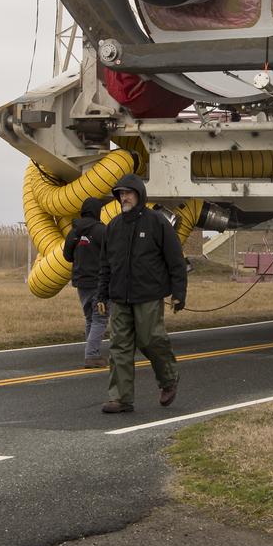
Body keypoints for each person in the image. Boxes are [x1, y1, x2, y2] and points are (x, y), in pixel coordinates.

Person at [96, 172, 187, 414]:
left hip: (149, 294)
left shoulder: (157, 223)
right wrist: (101, 295)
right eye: (120, 194)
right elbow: (105, 265)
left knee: (150, 340)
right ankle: (121, 398)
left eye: (128, 193)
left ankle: (168, 379)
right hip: (119, 297)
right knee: (119, 346)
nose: (124, 197)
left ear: (139, 194)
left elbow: (176, 260)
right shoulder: (113, 227)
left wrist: (179, 293)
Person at [63, 196, 108, 368]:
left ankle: (92, 352)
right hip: (99, 283)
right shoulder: (102, 231)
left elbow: (67, 256)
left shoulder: (73, 232)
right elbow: (111, 255)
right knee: (100, 319)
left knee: (90, 318)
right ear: (97, 211)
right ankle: (92, 355)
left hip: (81, 283)